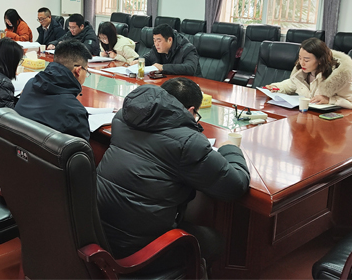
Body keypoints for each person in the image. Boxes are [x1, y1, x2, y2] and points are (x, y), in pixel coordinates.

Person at [97, 78, 250, 271]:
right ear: (191, 111)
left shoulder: (124, 117)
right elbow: (235, 186)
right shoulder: (188, 142)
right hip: (137, 251)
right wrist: (231, 149)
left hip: (98, 232)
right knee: (214, 241)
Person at [16, 40, 92, 140]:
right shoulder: (75, 111)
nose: (86, 75)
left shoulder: (30, 84)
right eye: (86, 71)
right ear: (78, 70)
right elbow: (81, 148)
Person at [265, 37, 352, 110]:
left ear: (320, 60)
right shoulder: (304, 71)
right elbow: (293, 84)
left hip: (331, 125)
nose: (302, 63)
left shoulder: (338, 78)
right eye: (300, 58)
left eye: (306, 60)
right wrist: (276, 87)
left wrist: (330, 100)